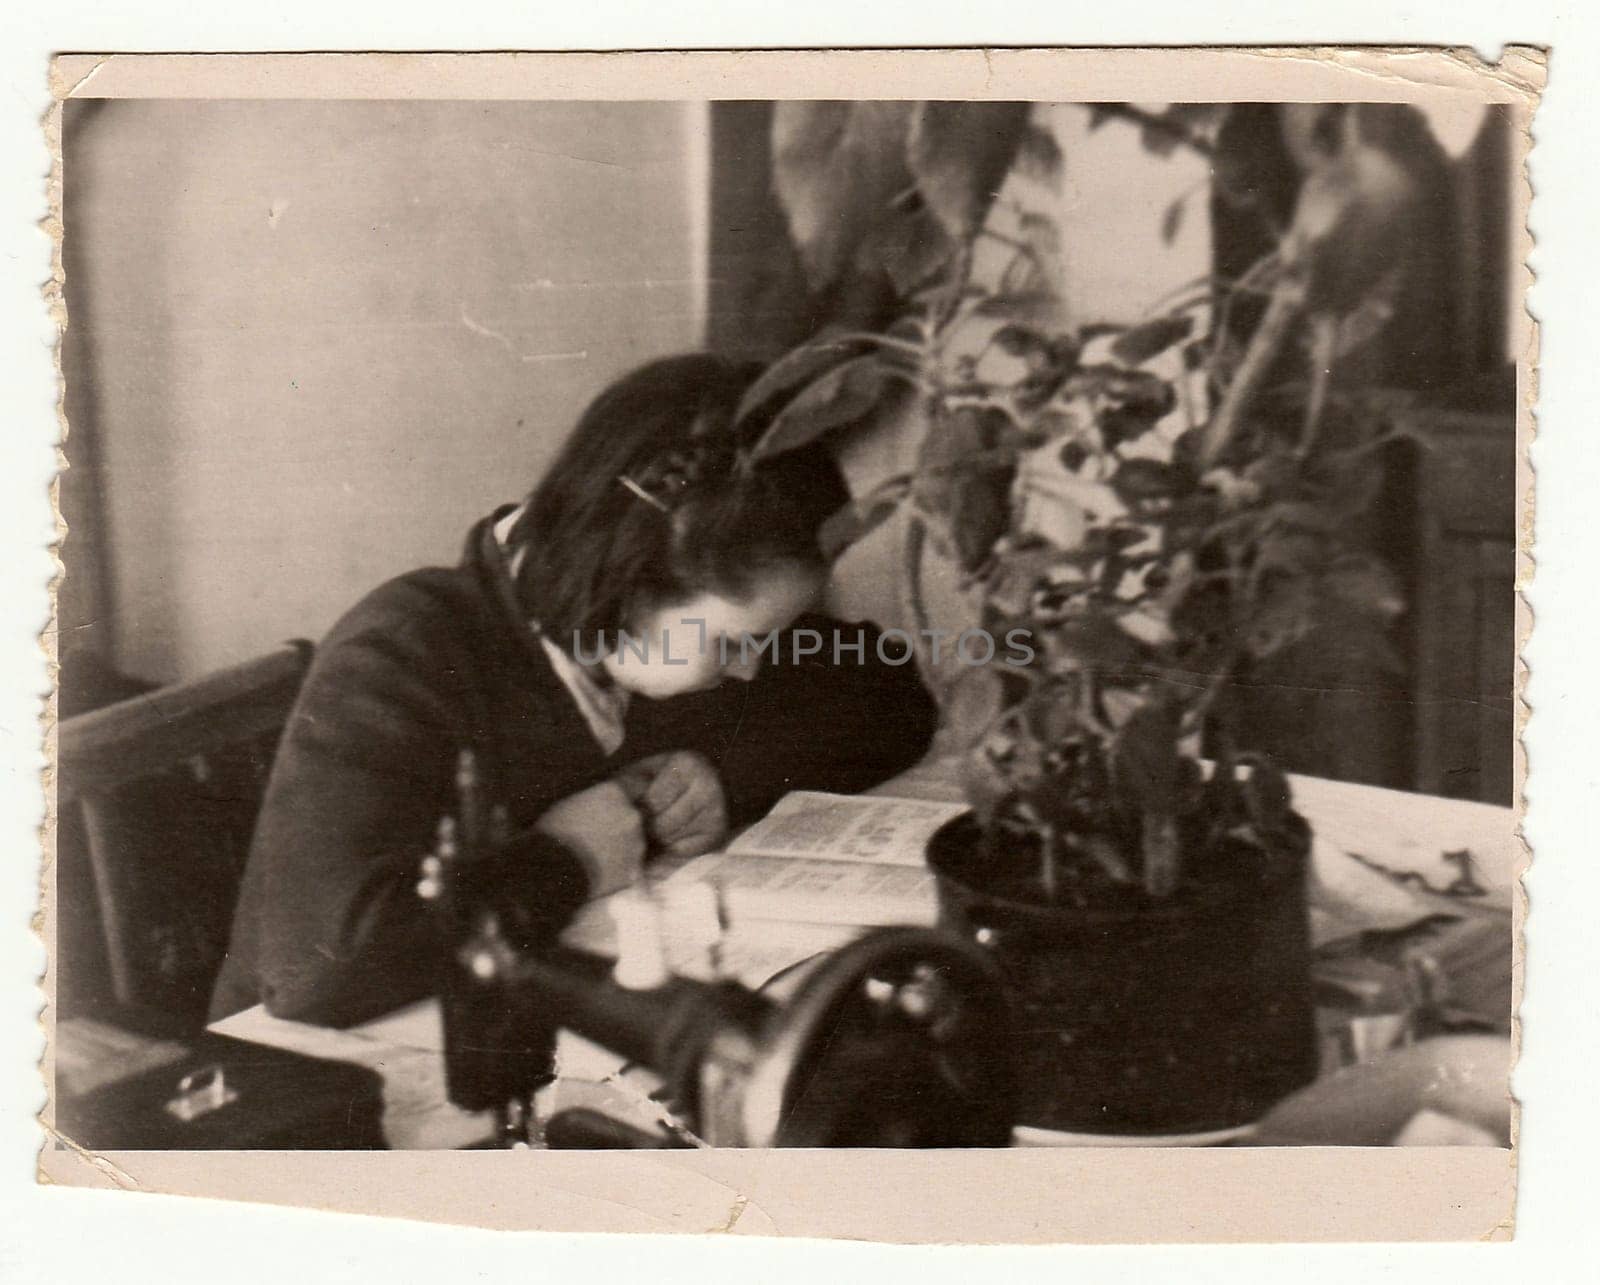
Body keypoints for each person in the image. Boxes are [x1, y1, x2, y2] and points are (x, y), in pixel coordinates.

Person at [211, 353, 939, 1027]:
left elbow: (890, 693)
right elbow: (314, 970)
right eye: (734, 644)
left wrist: (724, 775)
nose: (752, 669)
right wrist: (567, 860)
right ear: (624, 579)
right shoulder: (408, 652)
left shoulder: (655, 622)